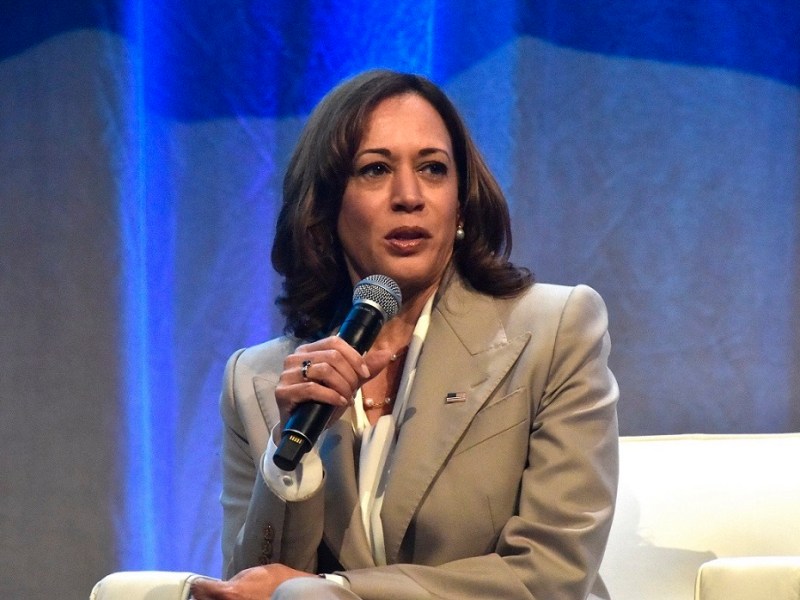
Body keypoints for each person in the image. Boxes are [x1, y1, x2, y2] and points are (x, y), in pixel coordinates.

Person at [190, 69, 619, 600]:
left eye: (433, 169)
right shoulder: (256, 381)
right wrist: (289, 461)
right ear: (325, 209)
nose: (409, 196)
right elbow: (252, 586)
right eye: (375, 170)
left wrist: (336, 592)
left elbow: (552, 573)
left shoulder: (554, 330)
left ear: (460, 202)